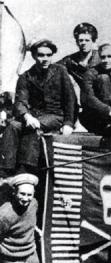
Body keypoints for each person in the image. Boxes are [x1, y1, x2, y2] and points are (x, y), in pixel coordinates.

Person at [0, 39, 76, 175]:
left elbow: (71, 99)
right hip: (34, 115)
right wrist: (27, 116)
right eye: (41, 55)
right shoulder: (26, 76)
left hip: (55, 115)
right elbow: (20, 101)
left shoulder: (60, 71)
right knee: (12, 126)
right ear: (34, 56)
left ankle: (26, 169)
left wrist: (69, 123)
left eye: (48, 55)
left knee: (33, 128)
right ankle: (5, 169)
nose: (45, 59)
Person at [0, 174, 41, 263]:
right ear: (14, 193)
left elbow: (29, 220)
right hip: (10, 255)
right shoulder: (5, 214)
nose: (26, 198)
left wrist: (35, 229)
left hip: (30, 252)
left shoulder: (34, 204)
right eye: (22, 194)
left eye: (29, 195)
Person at [60, 23, 100, 91]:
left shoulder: (101, 58)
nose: (84, 43)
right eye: (81, 40)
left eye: (87, 40)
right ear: (77, 42)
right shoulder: (70, 60)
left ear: (93, 41)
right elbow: (54, 68)